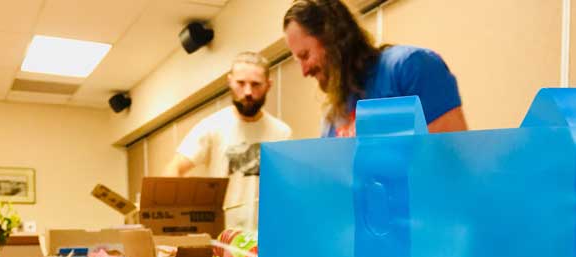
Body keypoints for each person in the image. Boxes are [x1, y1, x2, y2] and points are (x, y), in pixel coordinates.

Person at [283, 0, 467, 137]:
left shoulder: (410, 67)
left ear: (332, 38)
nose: (304, 72)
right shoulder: (332, 120)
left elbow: (450, 159)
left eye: (305, 56)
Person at [165, 51, 292, 229]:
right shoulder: (212, 126)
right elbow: (174, 168)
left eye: (256, 85)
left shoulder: (281, 133)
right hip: (219, 238)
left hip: (263, 239)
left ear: (268, 86)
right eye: (241, 83)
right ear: (230, 81)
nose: (248, 92)